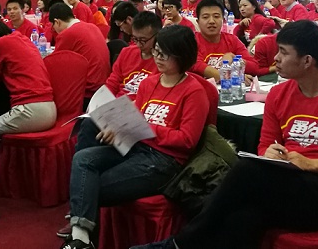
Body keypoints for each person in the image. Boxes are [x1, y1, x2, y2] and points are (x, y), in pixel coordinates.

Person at [134, 21, 318, 249]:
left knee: (246, 171)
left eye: (283, 52)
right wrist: (269, 153)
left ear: (307, 61)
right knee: (242, 218)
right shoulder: (278, 95)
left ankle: (178, 243)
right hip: (289, 183)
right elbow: (264, 146)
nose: (276, 58)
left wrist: (312, 164)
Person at [61, 25, 209, 249]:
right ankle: (81, 239)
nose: (158, 58)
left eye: (165, 54)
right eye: (157, 51)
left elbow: (187, 140)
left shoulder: (194, 92)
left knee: (90, 187)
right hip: (135, 147)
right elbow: (135, 120)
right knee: (83, 159)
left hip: (165, 161)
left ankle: (81, 240)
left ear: (182, 55)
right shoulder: (149, 83)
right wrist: (118, 129)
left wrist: (148, 128)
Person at [0, 23, 56, 169]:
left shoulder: (1, 43)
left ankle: (8, 176)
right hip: (49, 108)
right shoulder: (24, 39)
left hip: (30, 110)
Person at [49, 2, 110, 99]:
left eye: (53, 26)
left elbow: (54, 64)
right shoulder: (92, 27)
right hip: (104, 85)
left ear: (57, 22)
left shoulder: (67, 34)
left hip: (88, 89)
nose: (54, 30)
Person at [192, 0, 258, 81]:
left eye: (216, 16)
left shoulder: (232, 40)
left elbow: (254, 67)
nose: (211, 21)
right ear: (198, 22)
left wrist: (234, 58)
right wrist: (233, 77)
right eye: (205, 17)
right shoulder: (191, 41)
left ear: (223, 20)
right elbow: (196, 65)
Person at [104, 12, 161, 99]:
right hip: (118, 102)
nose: (138, 44)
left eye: (143, 40)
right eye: (135, 39)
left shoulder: (164, 61)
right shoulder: (127, 52)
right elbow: (112, 84)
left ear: (157, 36)